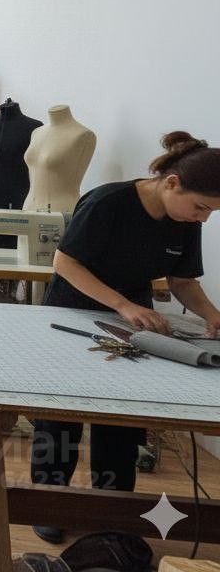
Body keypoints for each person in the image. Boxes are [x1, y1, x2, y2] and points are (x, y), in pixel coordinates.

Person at [30, 131, 220, 544]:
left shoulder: (185, 220)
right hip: (74, 310)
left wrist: (212, 316)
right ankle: (49, 503)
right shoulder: (108, 202)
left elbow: (183, 281)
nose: (203, 219)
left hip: (132, 318)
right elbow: (65, 263)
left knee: (120, 417)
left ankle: (112, 510)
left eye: (210, 212)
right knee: (60, 415)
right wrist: (123, 305)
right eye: (201, 207)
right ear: (172, 183)